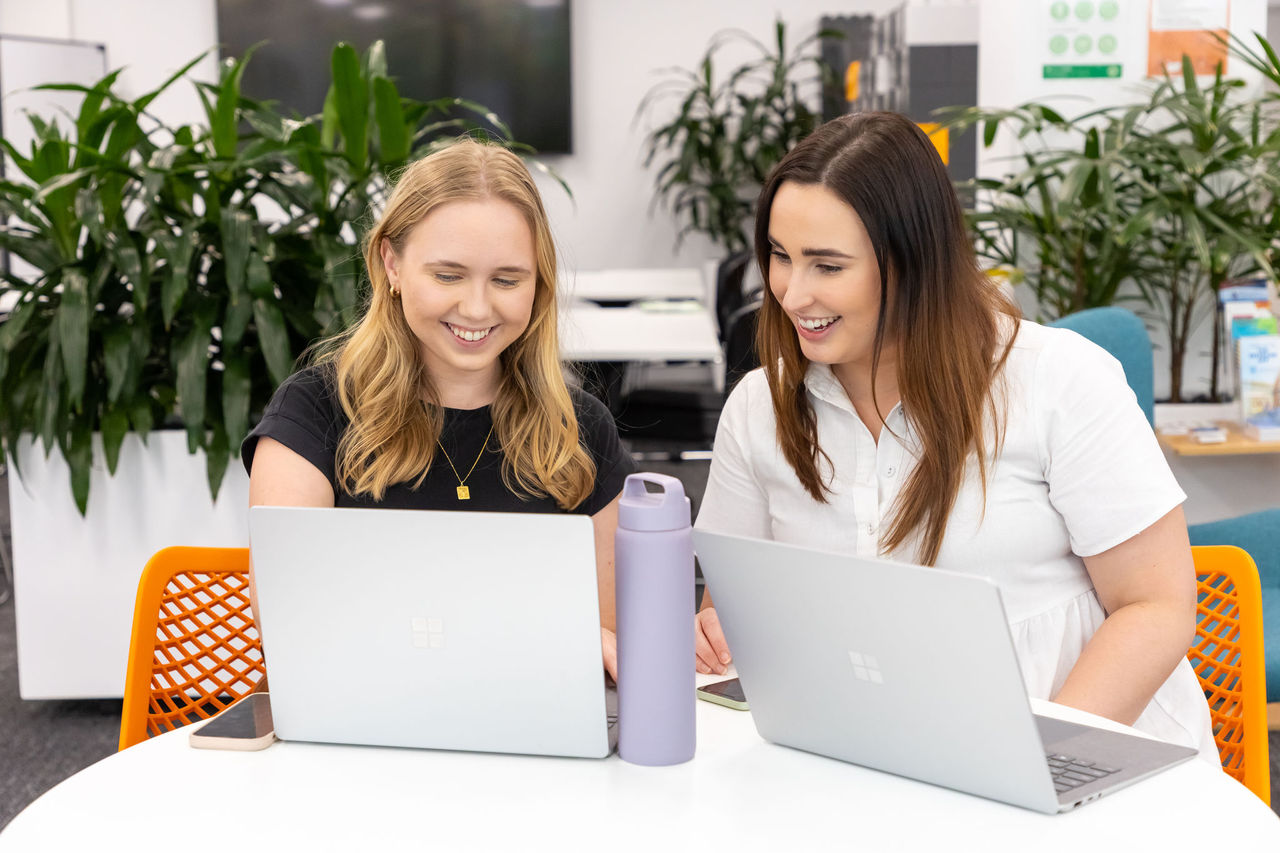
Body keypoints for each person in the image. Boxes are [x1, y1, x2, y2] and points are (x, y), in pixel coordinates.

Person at [693, 111, 1216, 760]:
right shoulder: (760, 407)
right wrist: (717, 635)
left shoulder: (1059, 380)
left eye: (826, 265)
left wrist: (1040, 763)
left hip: (1086, 753)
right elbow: (733, 612)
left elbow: (1157, 607)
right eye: (779, 255)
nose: (792, 292)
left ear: (913, 263)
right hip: (877, 763)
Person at [244, 138, 634, 678]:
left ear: (538, 284)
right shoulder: (313, 414)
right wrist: (531, 635)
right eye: (448, 275)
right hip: (360, 735)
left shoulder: (580, 428)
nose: (476, 307)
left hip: (529, 736)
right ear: (392, 265)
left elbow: (609, 646)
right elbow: (292, 630)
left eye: (506, 279)